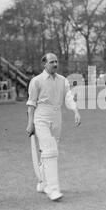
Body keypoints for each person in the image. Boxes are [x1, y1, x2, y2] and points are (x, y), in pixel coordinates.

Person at [26, 53, 81, 201]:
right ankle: (53, 189)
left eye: (56, 62)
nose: (55, 64)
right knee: (49, 150)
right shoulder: (36, 81)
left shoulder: (63, 80)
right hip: (41, 117)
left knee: (51, 151)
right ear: (44, 64)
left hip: (57, 117)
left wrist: (75, 111)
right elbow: (31, 104)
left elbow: (68, 97)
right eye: (52, 62)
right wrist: (30, 123)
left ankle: (43, 183)